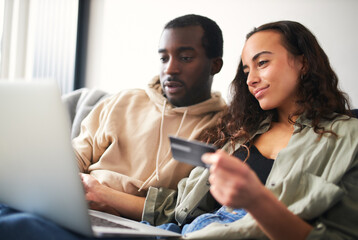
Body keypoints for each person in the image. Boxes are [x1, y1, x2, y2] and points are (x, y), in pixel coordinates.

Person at [0, 14, 226, 239]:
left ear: (215, 65)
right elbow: (76, 155)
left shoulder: (222, 128)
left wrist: (105, 196)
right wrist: (69, 190)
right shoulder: (123, 101)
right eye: (164, 58)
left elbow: (182, 206)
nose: (170, 69)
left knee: (17, 227)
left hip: (131, 222)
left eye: (185, 58)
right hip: (78, 207)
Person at [141, 20, 358, 239]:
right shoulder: (241, 132)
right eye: (246, 71)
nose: (251, 80)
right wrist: (106, 197)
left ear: (303, 63)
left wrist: (255, 201)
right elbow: (174, 209)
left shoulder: (349, 138)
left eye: (262, 62)